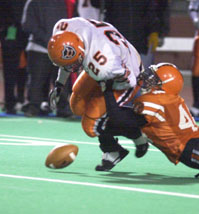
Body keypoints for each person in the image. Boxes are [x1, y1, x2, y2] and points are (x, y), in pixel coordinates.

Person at [47, 17, 149, 171]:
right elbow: (67, 59)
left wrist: (105, 87)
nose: (70, 67)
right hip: (101, 59)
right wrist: (59, 85)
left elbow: (130, 81)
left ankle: (131, 136)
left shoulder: (104, 65)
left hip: (124, 74)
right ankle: (126, 136)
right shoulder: (63, 30)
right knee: (77, 105)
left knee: (91, 124)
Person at [21, 0, 75, 117]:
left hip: (59, 49)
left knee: (60, 81)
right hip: (39, 48)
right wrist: (49, 39)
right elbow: (27, 24)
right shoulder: (34, 2)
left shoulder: (63, 3)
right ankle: (34, 106)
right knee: (37, 81)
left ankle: (62, 108)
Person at [0, 0, 28, 114]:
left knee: (24, 70)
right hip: (10, 35)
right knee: (11, 71)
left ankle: (18, 100)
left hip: (23, 35)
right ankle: (11, 102)